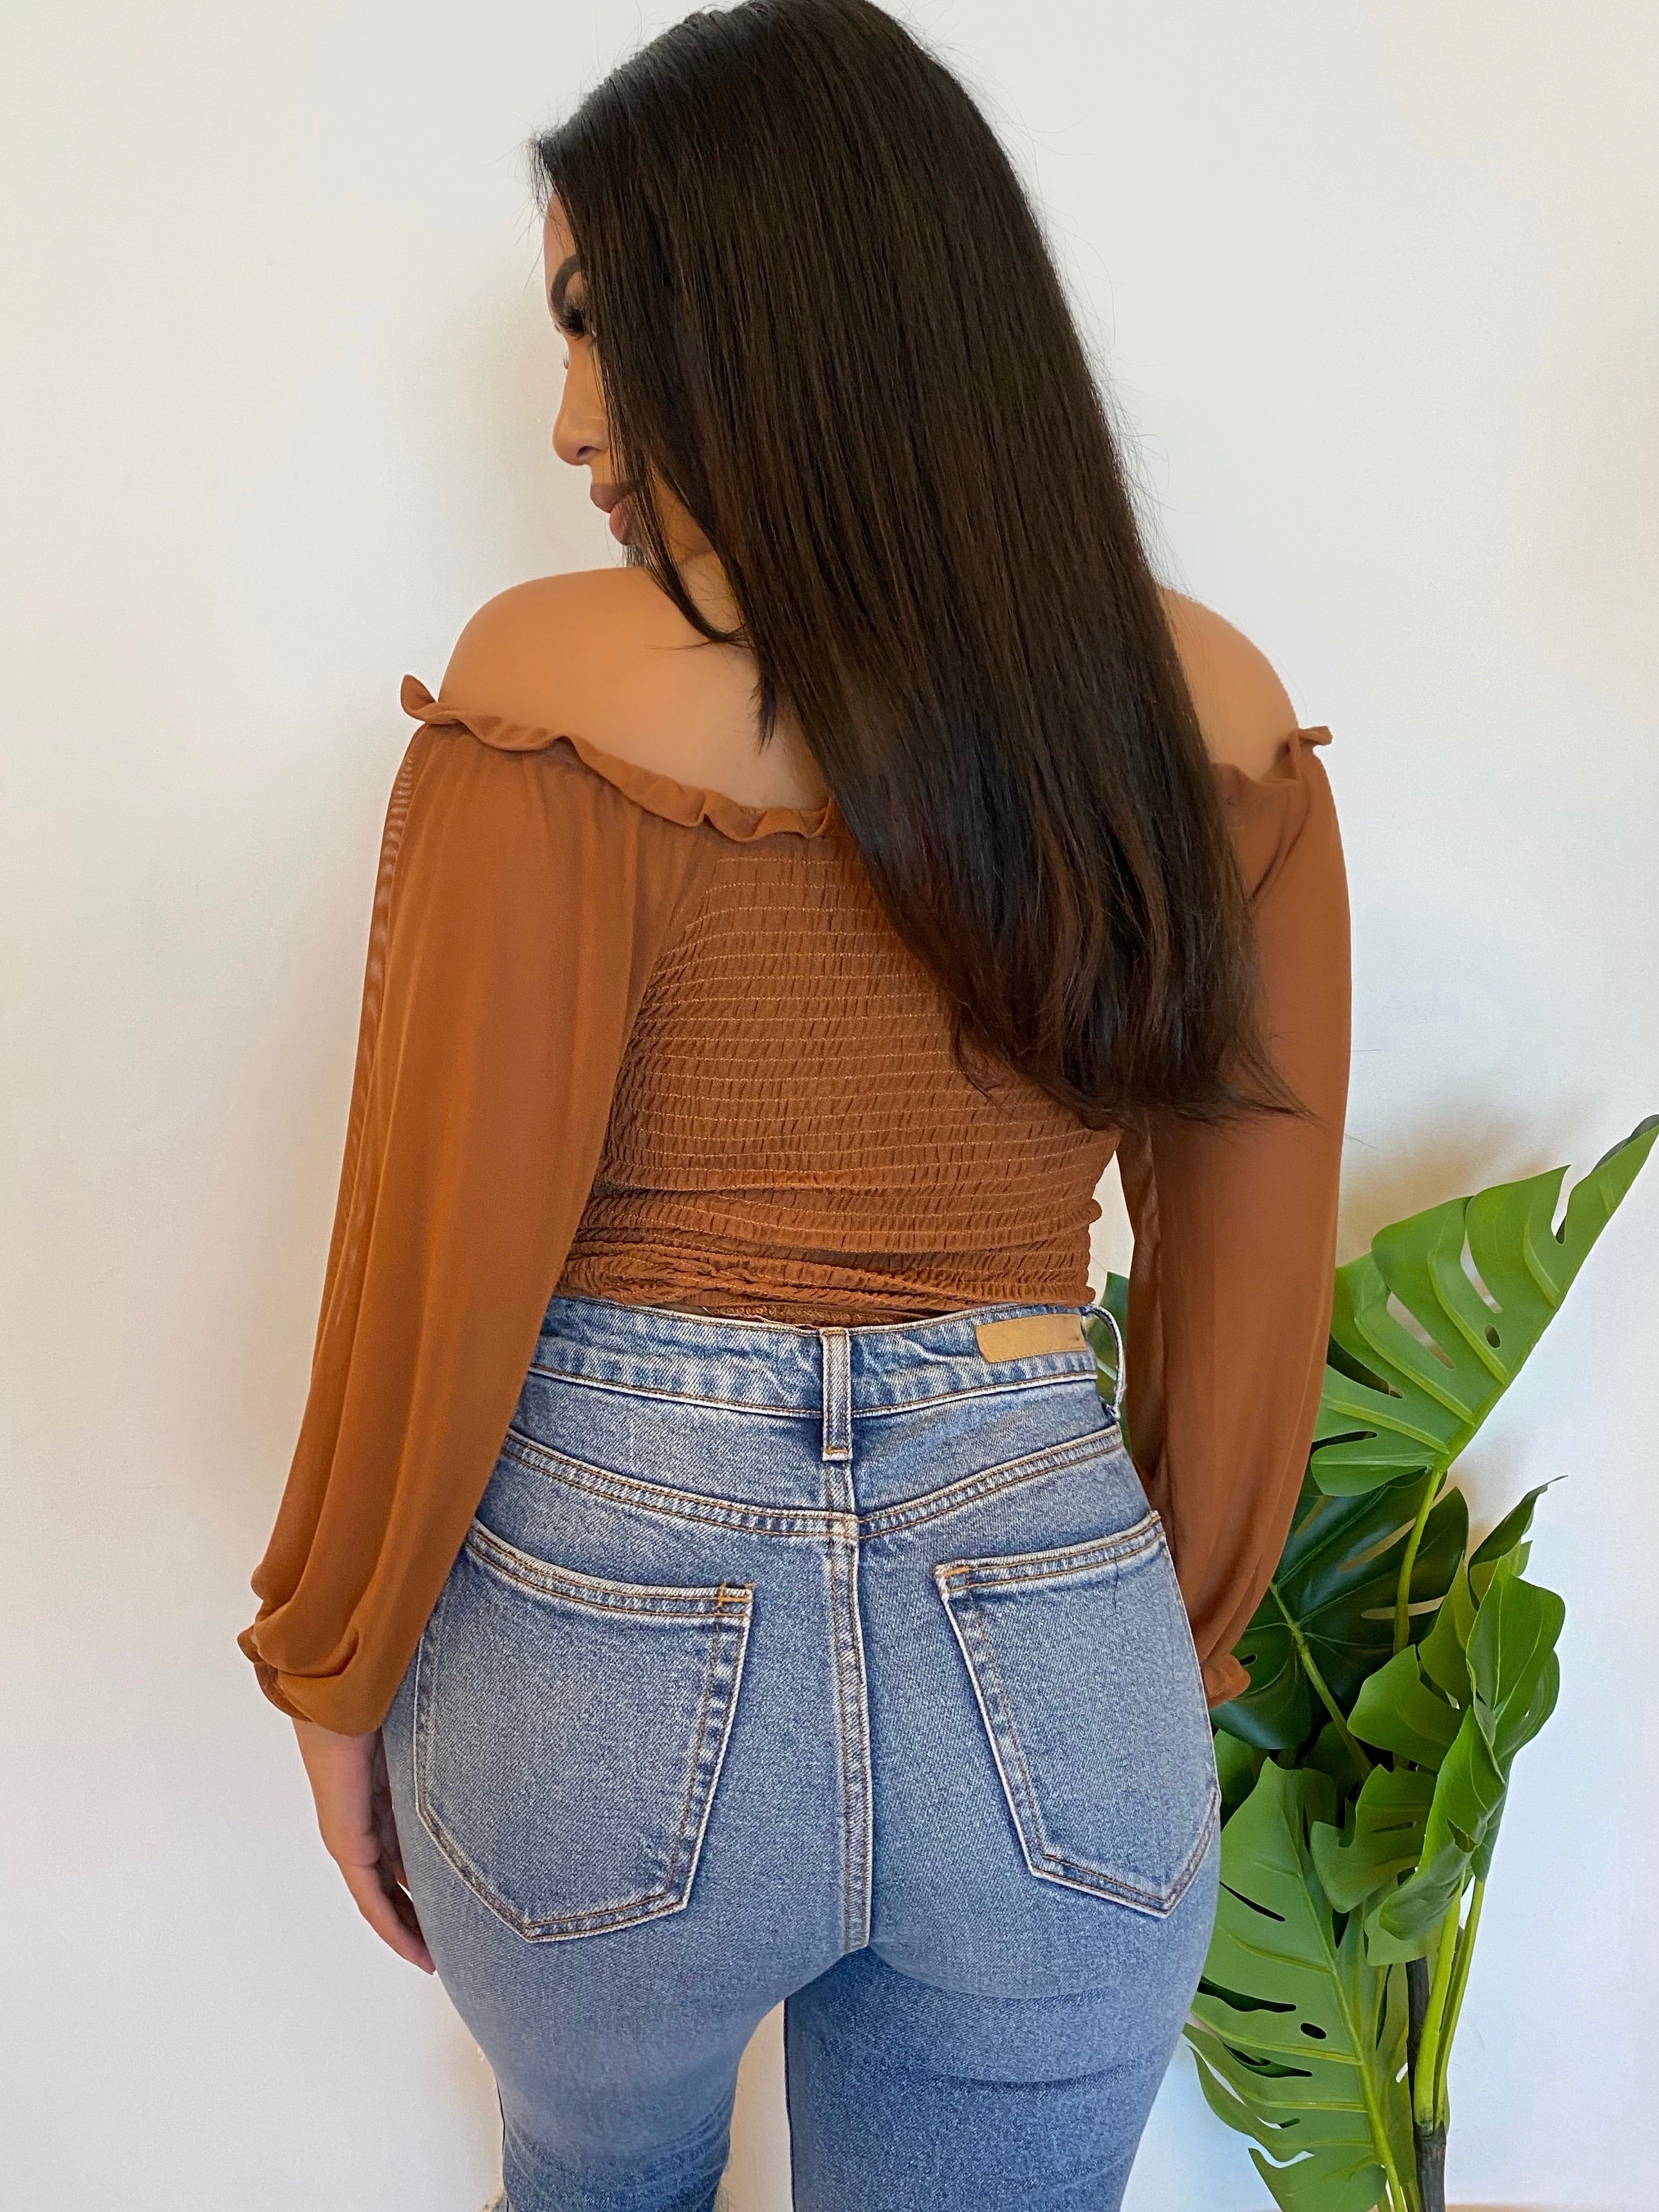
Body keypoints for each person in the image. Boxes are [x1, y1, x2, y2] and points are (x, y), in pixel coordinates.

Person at [238, 2, 1350, 2206]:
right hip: (1055, 1618)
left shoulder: (545, 688)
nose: (569, 422)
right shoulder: (1210, 712)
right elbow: (1249, 1297)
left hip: (600, 1623)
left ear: (775, 301)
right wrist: (1143, 1656)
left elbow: (441, 1245)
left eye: (598, 323)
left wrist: (340, 1665)